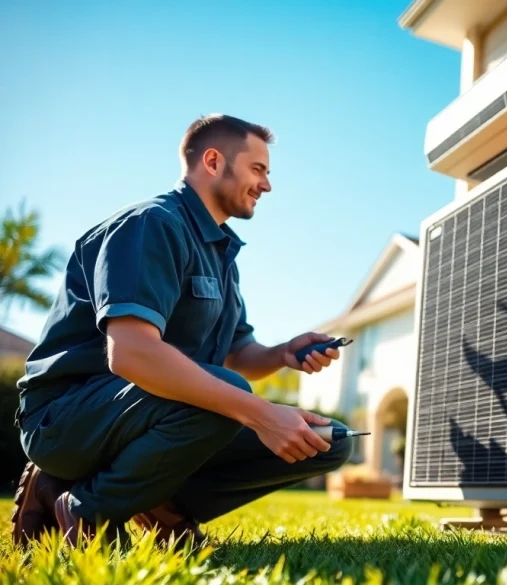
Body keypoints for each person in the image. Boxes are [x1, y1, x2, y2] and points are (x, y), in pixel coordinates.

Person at [10, 114, 354, 548]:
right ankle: (82, 508)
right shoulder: (150, 225)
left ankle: (161, 504)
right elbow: (131, 353)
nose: (266, 185)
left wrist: (285, 352)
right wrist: (263, 415)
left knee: (330, 440)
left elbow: (239, 353)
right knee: (225, 392)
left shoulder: (221, 254)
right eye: (258, 169)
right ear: (213, 161)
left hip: (154, 417)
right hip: (67, 419)